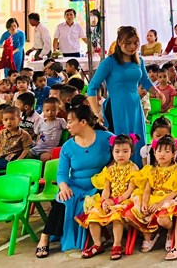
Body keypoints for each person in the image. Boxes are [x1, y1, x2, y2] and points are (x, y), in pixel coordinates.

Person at [36, 105, 113, 257]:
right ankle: (44, 238)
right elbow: (62, 173)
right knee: (62, 199)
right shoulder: (67, 147)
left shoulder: (107, 138)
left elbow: (123, 151)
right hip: (75, 185)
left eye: (70, 121)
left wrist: (112, 165)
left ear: (83, 122)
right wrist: (63, 186)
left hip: (99, 185)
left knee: (97, 200)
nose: (67, 126)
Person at [87, 26, 162, 164]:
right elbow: (92, 87)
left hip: (135, 107)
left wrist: (157, 92)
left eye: (135, 43)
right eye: (128, 43)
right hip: (116, 107)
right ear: (119, 42)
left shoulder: (139, 60)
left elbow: (145, 81)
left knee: (138, 141)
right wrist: (96, 112)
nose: (132, 47)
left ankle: (138, 171)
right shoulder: (109, 62)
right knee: (120, 144)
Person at [76, 134, 139, 260]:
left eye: (125, 151)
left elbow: (130, 190)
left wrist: (116, 201)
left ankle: (117, 245)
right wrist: (104, 201)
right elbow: (106, 189)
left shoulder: (133, 168)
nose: (120, 155)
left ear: (131, 152)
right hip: (110, 200)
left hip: (125, 201)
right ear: (112, 152)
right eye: (117, 151)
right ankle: (97, 244)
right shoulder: (109, 169)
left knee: (116, 216)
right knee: (93, 214)